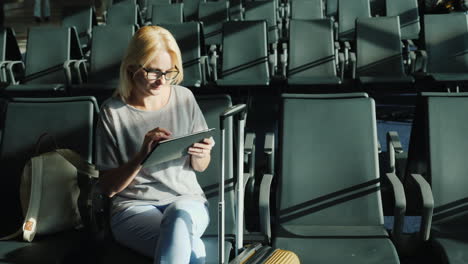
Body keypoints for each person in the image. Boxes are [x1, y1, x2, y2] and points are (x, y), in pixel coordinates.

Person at [95, 26, 214, 264]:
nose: (162, 81)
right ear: (131, 68)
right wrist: (142, 156)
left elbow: (200, 167)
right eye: (153, 72)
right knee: (191, 249)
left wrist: (202, 153)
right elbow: (108, 188)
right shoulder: (113, 112)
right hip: (133, 207)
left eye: (169, 72)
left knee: (178, 218)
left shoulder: (184, 98)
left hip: (186, 199)